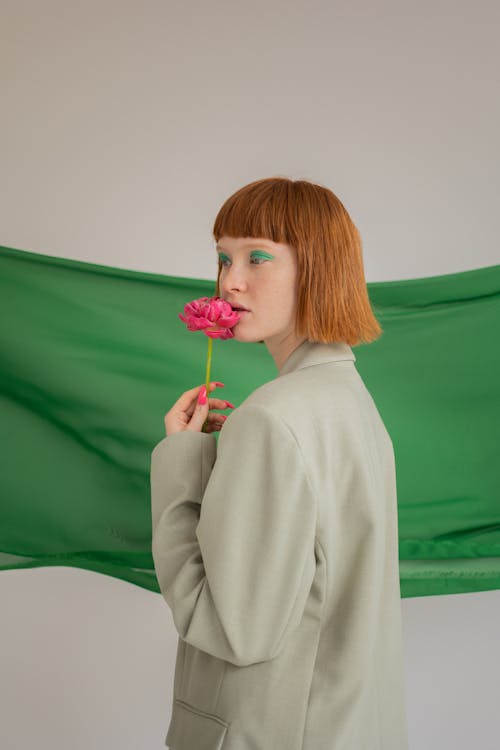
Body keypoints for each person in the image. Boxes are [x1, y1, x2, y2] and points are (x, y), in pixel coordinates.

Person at [150, 177, 409, 749]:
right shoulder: (354, 404)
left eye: (258, 257)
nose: (229, 281)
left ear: (318, 269)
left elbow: (234, 631)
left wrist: (178, 466)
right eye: (223, 257)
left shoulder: (272, 418)